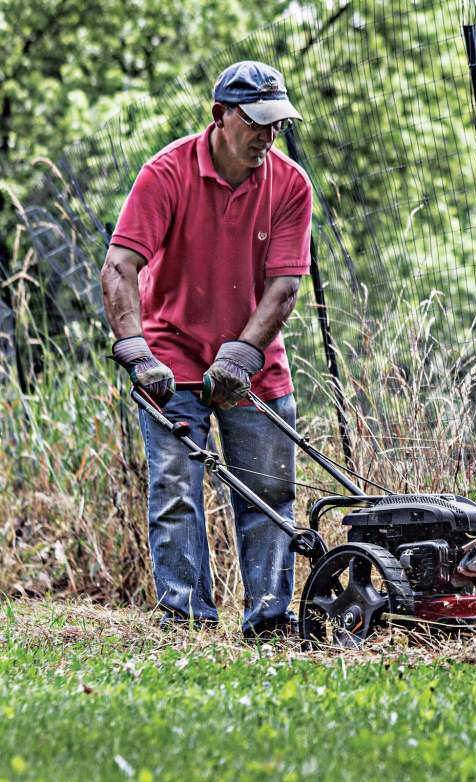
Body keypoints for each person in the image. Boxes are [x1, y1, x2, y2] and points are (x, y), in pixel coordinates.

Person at [100, 61, 312, 639]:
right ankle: (186, 620)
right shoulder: (165, 174)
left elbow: (285, 286)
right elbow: (120, 265)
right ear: (221, 116)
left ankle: (269, 619)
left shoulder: (290, 184)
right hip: (169, 358)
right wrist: (136, 350)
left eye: (276, 123)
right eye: (257, 123)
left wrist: (243, 354)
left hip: (254, 366)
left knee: (269, 494)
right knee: (176, 485)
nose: (268, 136)